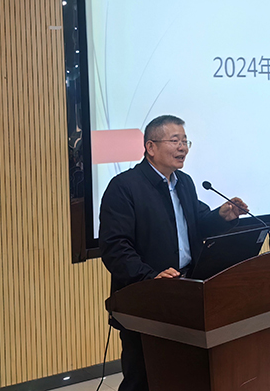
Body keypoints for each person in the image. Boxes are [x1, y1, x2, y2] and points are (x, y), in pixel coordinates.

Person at [99, 115, 248, 391]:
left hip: (186, 290)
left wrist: (222, 216)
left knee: (183, 372)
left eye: (185, 141)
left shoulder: (184, 183)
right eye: (175, 140)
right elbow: (115, 247)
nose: (183, 148)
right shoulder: (124, 187)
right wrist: (150, 276)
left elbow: (197, 221)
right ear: (151, 147)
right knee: (142, 378)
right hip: (144, 297)